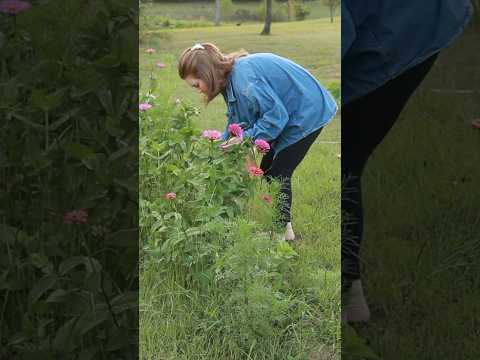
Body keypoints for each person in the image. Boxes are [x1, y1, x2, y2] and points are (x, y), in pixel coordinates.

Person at [341, 0, 473, 323]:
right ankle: (351, 300)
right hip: (408, 16)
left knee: (342, 164)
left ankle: (343, 296)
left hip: (408, 25)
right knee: (346, 162)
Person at [178, 42, 338, 241]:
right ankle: (284, 231)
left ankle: (280, 234)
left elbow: (275, 117)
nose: (198, 90)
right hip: (292, 112)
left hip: (307, 110)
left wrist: (245, 139)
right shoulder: (230, 80)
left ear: (206, 72)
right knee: (270, 171)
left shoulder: (244, 78)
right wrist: (222, 144)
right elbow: (238, 120)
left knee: (278, 173)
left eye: (196, 84)